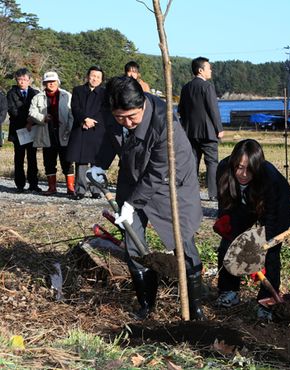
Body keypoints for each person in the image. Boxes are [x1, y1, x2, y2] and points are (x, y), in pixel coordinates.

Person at [89, 76, 205, 320]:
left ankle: (195, 308)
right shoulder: (112, 110)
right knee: (133, 240)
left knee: (181, 239)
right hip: (132, 178)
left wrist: (132, 203)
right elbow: (111, 137)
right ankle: (146, 305)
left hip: (170, 183)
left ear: (142, 103)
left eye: (132, 116)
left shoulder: (165, 123)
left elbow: (157, 171)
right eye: (121, 117)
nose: (128, 122)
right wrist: (99, 165)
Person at [213, 139, 290, 319]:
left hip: (275, 207)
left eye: (249, 169)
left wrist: (261, 251)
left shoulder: (271, 180)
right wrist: (224, 219)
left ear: (257, 167)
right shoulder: (224, 168)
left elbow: (272, 224)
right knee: (229, 243)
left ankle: (266, 301)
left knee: (270, 253)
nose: (243, 174)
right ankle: (229, 291)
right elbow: (224, 200)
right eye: (239, 167)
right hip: (244, 204)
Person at [178, 56, 224, 201]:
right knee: (211, 162)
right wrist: (219, 128)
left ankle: (190, 192)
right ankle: (213, 193)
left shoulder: (186, 87)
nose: (211, 70)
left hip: (190, 131)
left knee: (192, 163)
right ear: (200, 70)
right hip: (208, 131)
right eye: (209, 68)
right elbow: (213, 109)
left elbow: (181, 110)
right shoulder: (207, 87)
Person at [29, 71, 74, 195]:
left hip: (64, 133)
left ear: (58, 82)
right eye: (48, 82)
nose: (51, 84)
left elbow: (72, 115)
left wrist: (69, 130)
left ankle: (70, 187)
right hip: (46, 132)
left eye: (53, 81)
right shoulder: (38, 97)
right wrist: (43, 117)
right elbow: (32, 112)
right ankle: (52, 187)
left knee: (67, 161)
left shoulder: (67, 95)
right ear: (44, 83)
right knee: (49, 161)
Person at [66, 66, 106, 200]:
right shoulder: (78, 90)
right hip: (81, 127)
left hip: (97, 129)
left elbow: (105, 111)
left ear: (101, 80)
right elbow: (75, 108)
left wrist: (92, 121)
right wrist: (84, 119)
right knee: (81, 161)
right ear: (88, 76)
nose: (95, 79)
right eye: (93, 75)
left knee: (96, 161)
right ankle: (80, 190)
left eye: (98, 77)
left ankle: (96, 189)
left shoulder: (105, 93)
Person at [6, 68, 41, 193]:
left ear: (29, 80)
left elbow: (39, 109)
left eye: (25, 79)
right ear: (16, 80)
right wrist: (27, 122)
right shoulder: (11, 93)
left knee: (32, 157)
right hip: (18, 130)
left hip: (32, 129)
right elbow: (12, 111)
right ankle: (20, 184)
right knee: (19, 157)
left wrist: (31, 121)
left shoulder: (35, 93)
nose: (22, 82)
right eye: (20, 79)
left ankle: (33, 183)